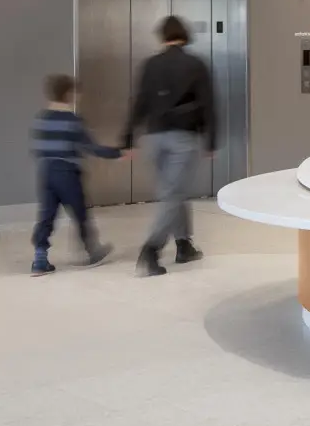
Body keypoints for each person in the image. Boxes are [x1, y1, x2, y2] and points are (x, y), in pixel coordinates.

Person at [124, 14, 217, 277]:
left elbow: (139, 102)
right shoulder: (196, 64)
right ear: (184, 35)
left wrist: (127, 137)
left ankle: (183, 245)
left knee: (174, 191)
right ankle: (151, 250)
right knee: (173, 194)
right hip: (183, 138)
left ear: (163, 36)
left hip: (154, 138)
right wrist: (211, 139)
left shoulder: (150, 64)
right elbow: (209, 104)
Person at [31, 73, 121, 275]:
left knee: (46, 215)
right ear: (69, 93)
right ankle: (92, 251)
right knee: (80, 213)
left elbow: (37, 149)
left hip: (45, 172)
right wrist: (117, 153)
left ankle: (39, 259)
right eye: (76, 92)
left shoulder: (41, 119)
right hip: (66, 173)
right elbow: (91, 147)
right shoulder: (72, 120)